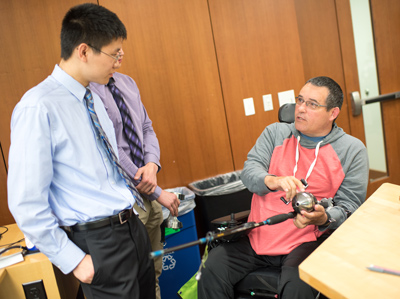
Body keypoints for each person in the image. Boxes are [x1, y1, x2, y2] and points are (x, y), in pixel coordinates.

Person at [7, 3, 179, 298]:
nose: (118, 62)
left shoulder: (94, 98)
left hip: (132, 226)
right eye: (113, 54)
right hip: (99, 242)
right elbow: (26, 203)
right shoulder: (38, 107)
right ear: (83, 51)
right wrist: (72, 260)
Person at [197, 76, 369, 299]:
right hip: (257, 238)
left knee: (298, 286)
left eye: (312, 104)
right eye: (300, 100)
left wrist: (323, 218)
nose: (301, 109)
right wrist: (273, 180)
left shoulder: (352, 150)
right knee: (211, 269)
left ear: (333, 113)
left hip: (307, 241)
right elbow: (250, 172)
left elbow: (350, 206)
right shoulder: (275, 133)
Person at [90, 50, 180, 299]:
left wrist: (152, 165)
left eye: (122, 48)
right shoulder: (88, 94)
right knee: (133, 282)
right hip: (126, 200)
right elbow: (111, 148)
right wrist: (156, 190)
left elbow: (146, 127)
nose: (121, 54)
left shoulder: (127, 83)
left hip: (148, 195)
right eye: (114, 49)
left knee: (153, 275)